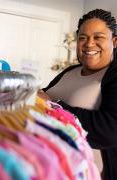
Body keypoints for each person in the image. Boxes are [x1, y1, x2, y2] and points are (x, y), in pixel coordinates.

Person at [38, 9, 117, 180]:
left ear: (115, 41)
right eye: (83, 37)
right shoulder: (70, 71)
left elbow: (111, 130)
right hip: (50, 170)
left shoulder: (113, 75)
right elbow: (45, 96)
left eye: (98, 37)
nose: (89, 44)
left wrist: (53, 106)